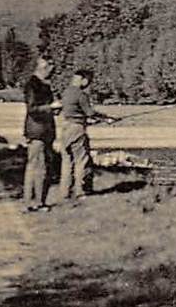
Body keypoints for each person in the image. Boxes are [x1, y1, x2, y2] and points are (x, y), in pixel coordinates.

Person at [56, 68, 117, 202]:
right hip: (77, 129)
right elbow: (89, 113)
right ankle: (80, 192)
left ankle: (64, 193)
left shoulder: (66, 93)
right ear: (83, 80)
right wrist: (107, 118)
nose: (89, 83)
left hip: (65, 128)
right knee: (81, 160)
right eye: (88, 80)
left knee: (67, 161)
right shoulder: (81, 94)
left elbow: (73, 112)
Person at [21, 58, 62, 211]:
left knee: (42, 166)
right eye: (51, 69)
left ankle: (37, 201)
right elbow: (32, 109)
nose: (52, 72)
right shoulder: (32, 85)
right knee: (36, 167)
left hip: (44, 131)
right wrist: (51, 106)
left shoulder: (44, 85)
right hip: (37, 131)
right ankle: (32, 202)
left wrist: (53, 109)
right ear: (43, 68)